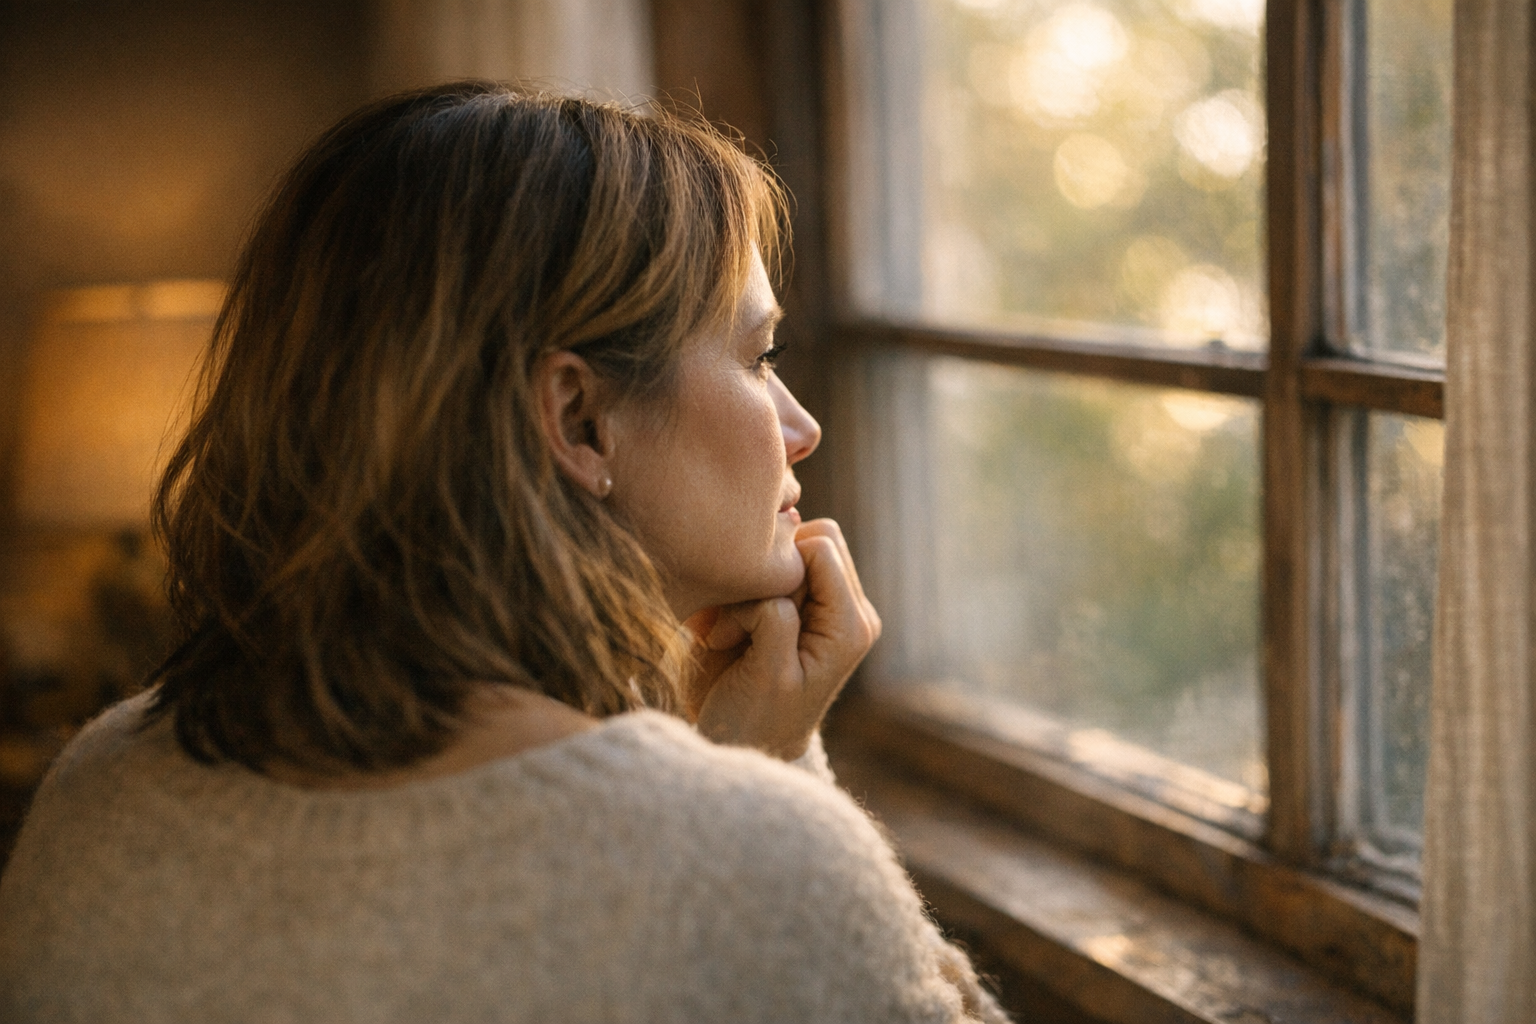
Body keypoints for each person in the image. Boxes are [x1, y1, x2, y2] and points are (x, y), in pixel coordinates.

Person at [0, 82, 1009, 1023]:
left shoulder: (99, 791)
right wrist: (780, 775)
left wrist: (731, 770)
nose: (802, 428)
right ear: (577, 418)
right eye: (759, 356)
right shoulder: (759, 867)